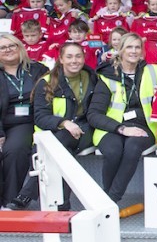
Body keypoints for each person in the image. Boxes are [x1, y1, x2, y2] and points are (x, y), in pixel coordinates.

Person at [6, 42, 96, 210]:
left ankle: (26, 194)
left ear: (84, 58)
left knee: (58, 144)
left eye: (78, 56)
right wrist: (64, 123)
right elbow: (40, 117)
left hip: (85, 129)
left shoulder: (92, 78)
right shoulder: (47, 82)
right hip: (56, 133)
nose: (74, 61)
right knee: (62, 148)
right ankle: (63, 205)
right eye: (69, 57)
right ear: (60, 59)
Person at [87, 33, 157, 203]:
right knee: (113, 151)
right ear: (119, 50)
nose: (134, 51)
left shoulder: (152, 71)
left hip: (145, 125)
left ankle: (110, 200)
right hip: (113, 126)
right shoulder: (106, 75)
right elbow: (93, 114)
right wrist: (121, 129)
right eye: (129, 47)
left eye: (137, 47)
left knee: (132, 148)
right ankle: (109, 198)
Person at [0, 34, 48, 208]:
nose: (8, 50)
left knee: (15, 150)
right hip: (3, 121)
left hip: (27, 121)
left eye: (11, 46)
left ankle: (10, 202)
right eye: (3, 48)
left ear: (20, 47)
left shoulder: (37, 69)